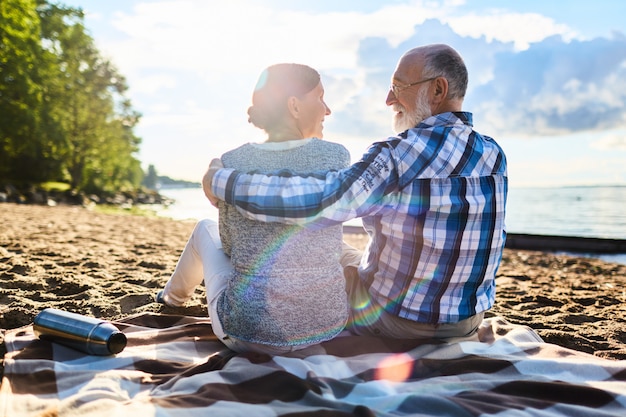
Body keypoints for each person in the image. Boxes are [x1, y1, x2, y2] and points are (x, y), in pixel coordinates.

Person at [204, 44, 508, 342]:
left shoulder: (397, 155)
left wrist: (224, 182)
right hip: (468, 321)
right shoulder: (494, 154)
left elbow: (318, 203)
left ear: (438, 90)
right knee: (340, 251)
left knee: (318, 253)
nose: (389, 99)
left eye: (398, 86)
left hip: (398, 321)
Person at [157, 63, 351, 354]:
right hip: (324, 328)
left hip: (247, 334)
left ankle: (171, 300)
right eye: (320, 97)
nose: (327, 109)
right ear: (294, 106)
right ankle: (171, 298)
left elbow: (231, 247)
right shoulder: (337, 156)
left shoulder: (233, 161)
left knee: (204, 230)